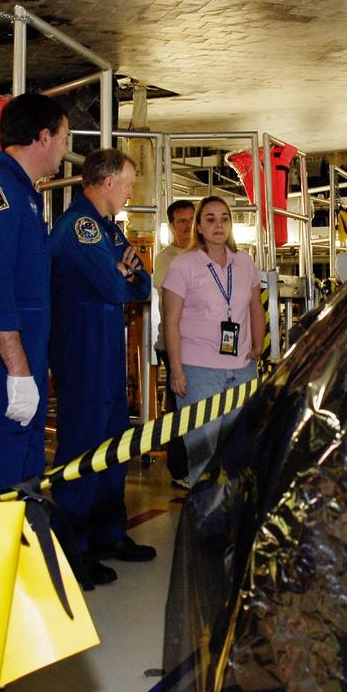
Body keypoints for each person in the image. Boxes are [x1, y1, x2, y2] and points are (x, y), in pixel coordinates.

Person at [48, 148, 155, 589]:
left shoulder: (108, 231)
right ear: (107, 181)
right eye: (128, 183)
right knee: (83, 451)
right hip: (82, 351)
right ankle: (74, 548)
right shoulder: (80, 227)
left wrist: (126, 274)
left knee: (115, 448)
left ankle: (109, 533)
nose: (131, 192)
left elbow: (142, 284)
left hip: (107, 351)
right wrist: (122, 275)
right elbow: (116, 286)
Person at [0, 93, 69, 493]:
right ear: (43, 136)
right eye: (64, 136)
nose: (65, 148)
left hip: (20, 360)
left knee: (22, 476)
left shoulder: (24, 194)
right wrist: (18, 371)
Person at [162, 196, 264, 486]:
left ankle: (229, 518)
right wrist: (177, 370)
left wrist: (257, 348)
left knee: (237, 450)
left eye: (224, 219)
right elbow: (171, 321)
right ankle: (202, 522)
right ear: (200, 227)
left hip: (241, 369)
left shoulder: (244, 263)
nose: (218, 225)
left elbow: (255, 307)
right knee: (203, 455)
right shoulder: (184, 266)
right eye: (210, 219)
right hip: (198, 371)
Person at [153, 199, 196, 484]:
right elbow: (174, 302)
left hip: (202, 343)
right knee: (179, 403)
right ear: (171, 225)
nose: (188, 226)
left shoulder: (204, 254)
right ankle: (179, 470)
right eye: (182, 221)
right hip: (175, 342)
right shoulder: (167, 259)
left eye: (192, 219)